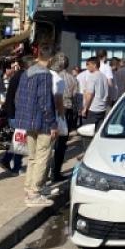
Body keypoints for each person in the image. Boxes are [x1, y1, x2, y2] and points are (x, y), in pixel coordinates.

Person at [14, 45, 58, 207]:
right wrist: (53, 124)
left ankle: (29, 188)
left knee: (32, 157)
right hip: (42, 122)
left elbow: (18, 97)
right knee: (42, 157)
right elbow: (45, 102)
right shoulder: (44, 74)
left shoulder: (27, 72)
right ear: (51, 59)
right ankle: (34, 193)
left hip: (27, 120)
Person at [0, 59, 26, 174]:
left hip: (13, 112)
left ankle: (7, 160)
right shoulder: (22, 77)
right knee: (20, 140)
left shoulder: (17, 76)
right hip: (17, 113)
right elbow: (19, 97)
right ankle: (16, 167)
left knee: (18, 139)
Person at [51, 53, 75, 183]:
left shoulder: (50, 77)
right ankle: (56, 172)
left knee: (49, 144)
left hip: (52, 112)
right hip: (66, 112)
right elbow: (75, 96)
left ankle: (46, 172)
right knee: (61, 145)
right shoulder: (72, 78)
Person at [81, 57, 108, 125]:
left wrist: (85, 108)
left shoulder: (92, 76)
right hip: (102, 108)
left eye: (88, 64)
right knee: (98, 129)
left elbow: (90, 94)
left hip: (93, 109)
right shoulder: (104, 76)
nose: (87, 67)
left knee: (88, 130)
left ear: (95, 65)